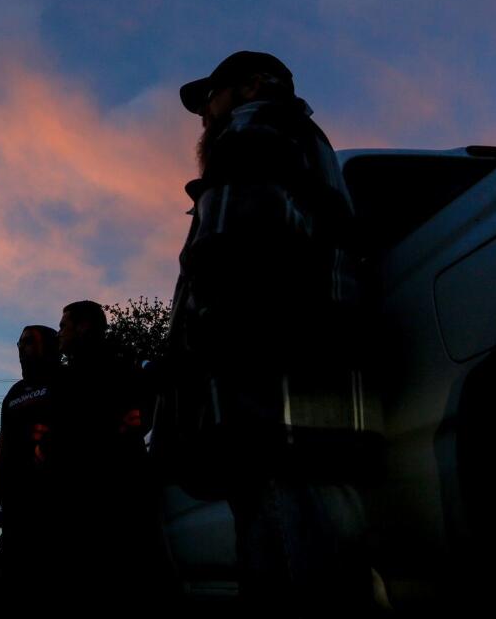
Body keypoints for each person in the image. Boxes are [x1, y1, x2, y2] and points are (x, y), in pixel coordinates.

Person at [164, 50, 373, 613]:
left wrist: (184, 354)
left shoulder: (254, 129)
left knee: (289, 586)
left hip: (270, 405)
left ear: (253, 85)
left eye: (210, 98)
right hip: (319, 402)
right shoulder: (311, 143)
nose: (205, 115)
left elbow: (224, 257)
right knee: (334, 577)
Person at [49, 300, 156, 611]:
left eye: (63, 326)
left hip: (113, 502)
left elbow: (141, 415)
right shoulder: (69, 377)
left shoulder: (119, 366)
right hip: (85, 504)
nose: (60, 333)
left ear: (83, 327)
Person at [0, 325, 58, 605]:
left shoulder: (67, 383)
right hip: (17, 512)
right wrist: (0, 482)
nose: (21, 349)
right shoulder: (13, 394)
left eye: (29, 342)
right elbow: (3, 444)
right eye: (19, 343)